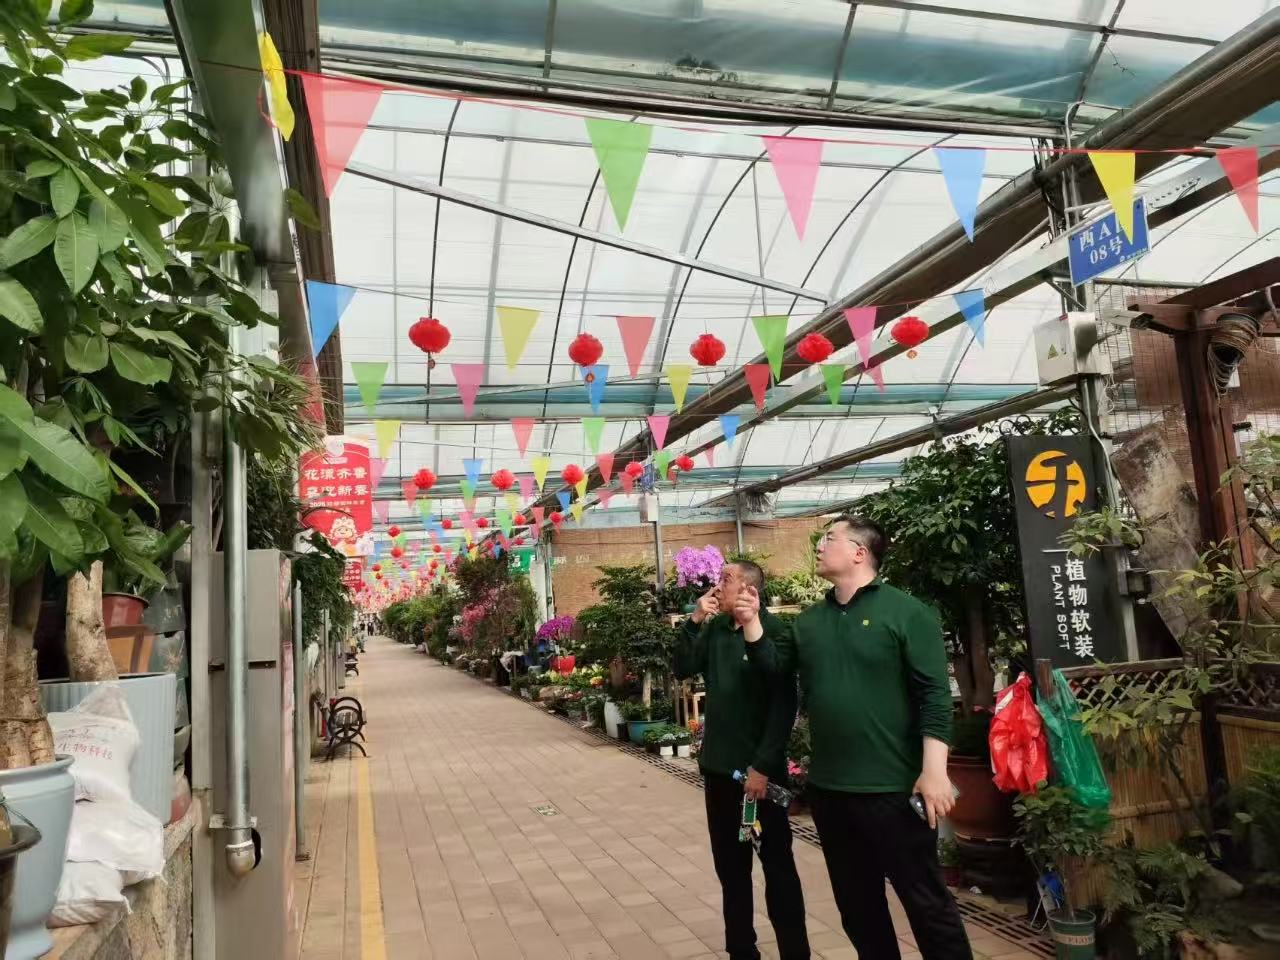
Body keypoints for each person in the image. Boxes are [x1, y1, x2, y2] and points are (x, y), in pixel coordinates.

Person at [748, 516, 971, 960]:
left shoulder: (907, 612)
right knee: (858, 908)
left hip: (894, 788)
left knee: (926, 904)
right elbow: (773, 668)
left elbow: (934, 696)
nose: (819, 545)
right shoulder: (809, 622)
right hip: (831, 791)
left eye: (829, 538)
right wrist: (752, 621)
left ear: (859, 552)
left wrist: (934, 772)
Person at [673, 560, 810, 960]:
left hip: (760, 778)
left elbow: (783, 705)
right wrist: (695, 619)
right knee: (731, 872)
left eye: (726, 579)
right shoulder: (716, 629)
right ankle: (742, 951)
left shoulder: (778, 631)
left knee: (778, 869)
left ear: (750, 590)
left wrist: (763, 767)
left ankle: (795, 952)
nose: (718, 585)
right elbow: (682, 667)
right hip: (720, 772)